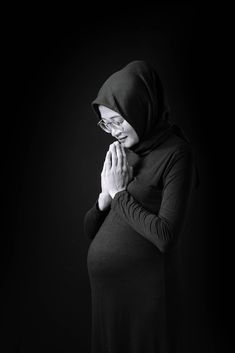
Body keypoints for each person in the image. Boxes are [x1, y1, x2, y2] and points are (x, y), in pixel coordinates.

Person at [83, 60, 199, 353]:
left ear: (140, 106)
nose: (112, 131)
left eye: (117, 120)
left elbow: (166, 237)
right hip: (108, 299)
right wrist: (104, 198)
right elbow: (90, 230)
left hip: (145, 299)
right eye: (105, 123)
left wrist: (120, 192)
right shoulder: (123, 153)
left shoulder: (176, 154)